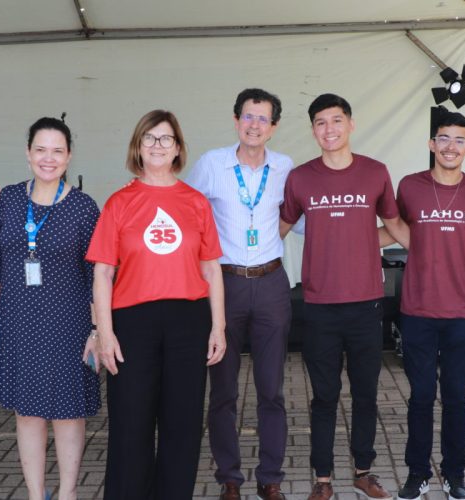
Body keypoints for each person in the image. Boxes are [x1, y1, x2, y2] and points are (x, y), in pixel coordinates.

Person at [86, 109, 227, 500]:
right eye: (149, 138)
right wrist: (105, 332)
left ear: (178, 147)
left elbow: (212, 270)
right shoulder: (119, 202)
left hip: (188, 321)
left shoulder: (196, 202)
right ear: (137, 147)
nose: (158, 145)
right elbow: (102, 274)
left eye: (166, 138)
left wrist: (218, 327)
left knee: (181, 424)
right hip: (132, 324)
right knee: (131, 422)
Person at [279, 93, 403, 500]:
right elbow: (276, 230)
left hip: (367, 302)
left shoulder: (375, 172)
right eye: (320, 122)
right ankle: (323, 477)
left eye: (336, 120)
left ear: (351, 124)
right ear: (313, 129)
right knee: (324, 395)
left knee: (366, 391)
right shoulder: (300, 178)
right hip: (318, 305)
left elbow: (395, 225)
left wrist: (436, 248)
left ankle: (363, 471)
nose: (328, 129)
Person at [186, 89, 293, 500]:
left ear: (274, 127)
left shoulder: (285, 167)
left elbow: (296, 218)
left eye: (263, 119)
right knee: (224, 390)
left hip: (271, 284)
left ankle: (271, 477)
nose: (254, 125)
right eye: (248, 117)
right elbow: (189, 213)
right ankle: (229, 477)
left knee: (272, 389)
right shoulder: (213, 164)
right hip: (223, 284)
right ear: (235, 120)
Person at [0, 117, 101, 500]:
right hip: (18, 319)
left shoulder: (84, 207)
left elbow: (96, 274)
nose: (48, 158)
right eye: (40, 149)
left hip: (69, 323)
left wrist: (97, 330)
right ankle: (37, 495)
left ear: (68, 157)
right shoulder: (9, 198)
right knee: (28, 412)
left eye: (57, 151)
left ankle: (68, 493)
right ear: (27, 152)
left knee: (68, 413)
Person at [381, 110, 465, 500]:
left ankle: (455, 473)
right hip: (418, 311)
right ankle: (417, 473)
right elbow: (392, 228)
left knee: (457, 397)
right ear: (431, 144)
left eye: (459, 140)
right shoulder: (410, 186)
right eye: (443, 138)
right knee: (422, 395)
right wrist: (344, 241)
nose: (450, 147)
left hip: (462, 311)